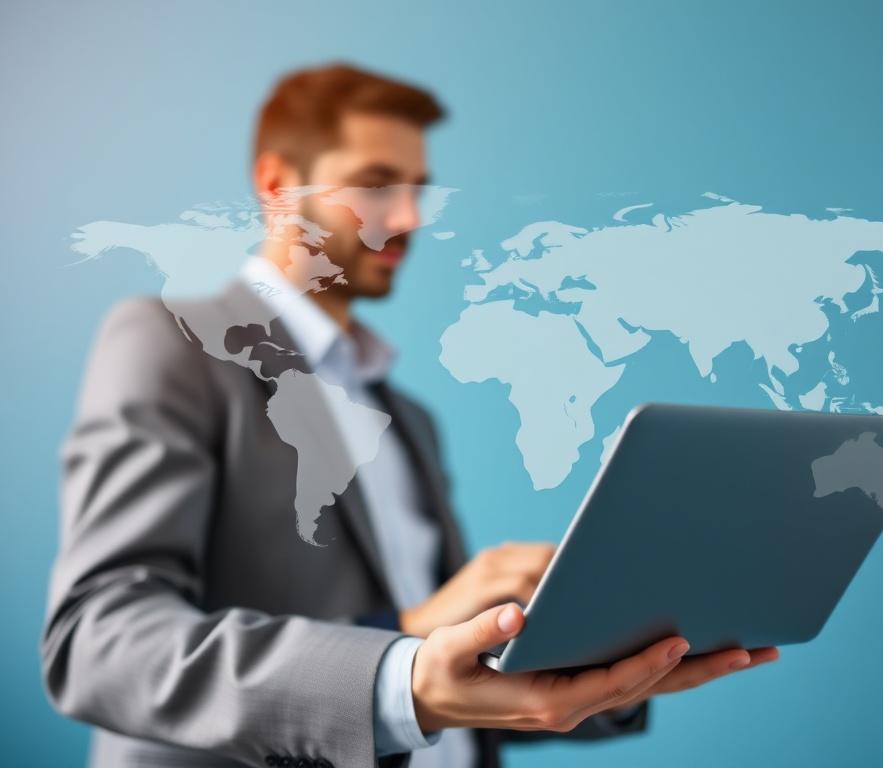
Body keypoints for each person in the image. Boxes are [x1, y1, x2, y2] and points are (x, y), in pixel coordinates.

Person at [41, 63, 778, 768]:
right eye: (374, 185)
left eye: (419, 189)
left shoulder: (407, 418)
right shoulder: (171, 345)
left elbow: (448, 682)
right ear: (276, 185)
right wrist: (404, 663)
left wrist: (601, 660)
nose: (407, 218)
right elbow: (97, 641)